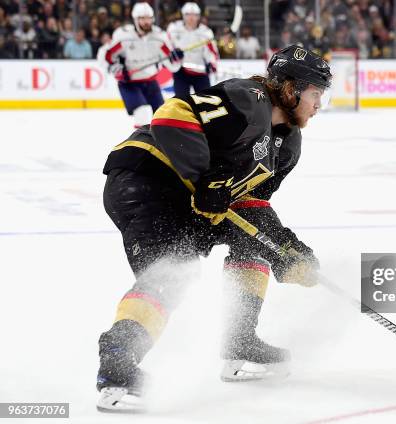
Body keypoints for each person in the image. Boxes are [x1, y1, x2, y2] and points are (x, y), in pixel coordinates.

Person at [96, 45, 332, 412]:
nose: (319, 104)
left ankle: (240, 344)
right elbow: (172, 114)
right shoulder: (249, 98)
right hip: (147, 177)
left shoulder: (287, 146)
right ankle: (117, 367)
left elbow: (249, 209)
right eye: (316, 93)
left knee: (254, 245)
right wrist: (206, 176)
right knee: (172, 273)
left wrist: (286, 249)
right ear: (290, 89)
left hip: (194, 202)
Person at [99, 2, 184, 128]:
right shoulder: (123, 36)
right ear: (135, 19)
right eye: (142, 19)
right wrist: (117, 70)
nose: (146, 22)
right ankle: (140, 145)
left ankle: (159, 145)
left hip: (151, 82)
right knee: (142, 113)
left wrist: (177, 58)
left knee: (163, 116)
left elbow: (173, 66)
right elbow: (105, 55)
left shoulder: (159, 37)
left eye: (149, 18)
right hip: (129, 84)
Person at [167, 2, 219, 98]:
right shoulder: (173, 29)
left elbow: (212, 53)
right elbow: (167, 47)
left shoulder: (206, 32)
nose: (191, 18)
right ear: (183, 15)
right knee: (181, 102)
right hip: (181, 71)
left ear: (198, 16)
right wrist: (173, 54)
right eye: (188, 15)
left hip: (200, 72)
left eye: (194, 15)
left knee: (206, 103)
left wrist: (211, 64)